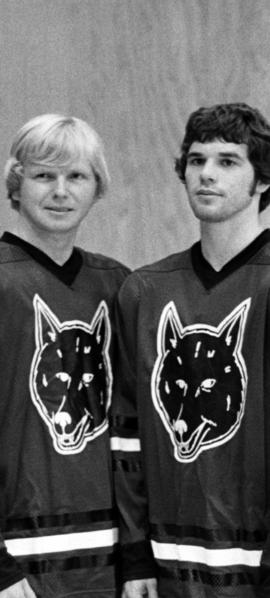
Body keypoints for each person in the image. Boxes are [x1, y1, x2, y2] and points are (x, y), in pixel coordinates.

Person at [112, 102, 270, 597]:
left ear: (262, 180)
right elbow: (126, 434)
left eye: (227, 161)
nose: (206, 174)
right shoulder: (144, 291)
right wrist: (136, 558)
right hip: (167, 569)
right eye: (196, 160)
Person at [0, 114, 129, 598]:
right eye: (43, 175)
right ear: (16, 184)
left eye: (76, 176)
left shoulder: (120, 286)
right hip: (17, 561)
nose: (60, 191)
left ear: (97, 187)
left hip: (107, 559)